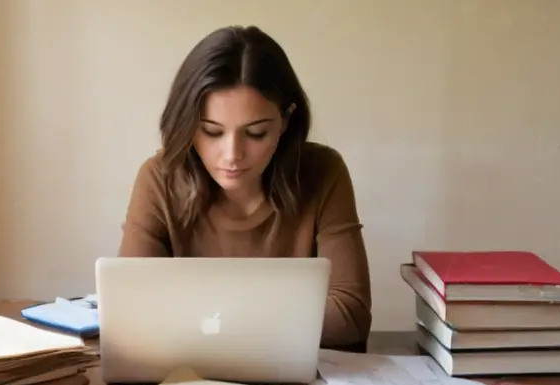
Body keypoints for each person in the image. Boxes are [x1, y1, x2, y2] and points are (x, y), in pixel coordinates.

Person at [117, 25, 372, 349]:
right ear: (187, 125)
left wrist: (208, 319)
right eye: (211, 131)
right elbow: (132, 312)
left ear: (286, 121)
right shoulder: (160, 178)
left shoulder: (323, 172)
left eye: (255, 133)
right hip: (186, 382)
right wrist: (280, 318)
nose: (232, 155)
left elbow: (350, 317)